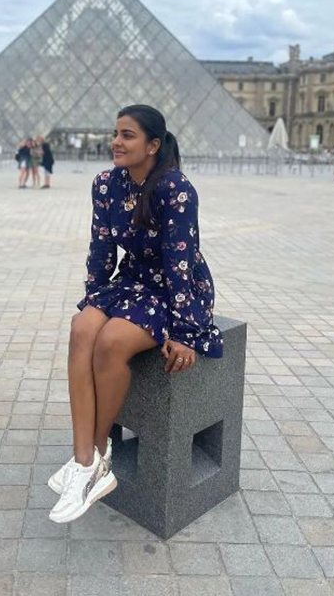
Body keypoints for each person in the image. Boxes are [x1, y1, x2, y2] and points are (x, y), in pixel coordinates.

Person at [48, 104, 223, 525]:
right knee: (82, 328)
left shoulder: (176, 189)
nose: (116, 142)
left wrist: (185, 331)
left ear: (153, 145)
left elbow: (179, 261)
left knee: (111, 341)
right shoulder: (106, 184)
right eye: (115, 133)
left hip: (174, 288)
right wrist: (94, 300)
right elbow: (101, 248)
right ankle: (85, 461)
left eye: (127, 135)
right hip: (131, 281)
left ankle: (96, 457)